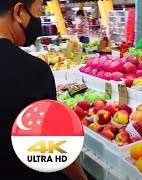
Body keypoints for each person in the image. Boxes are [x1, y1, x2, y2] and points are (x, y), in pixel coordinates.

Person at [0, 0, 88, 179]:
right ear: (18, 12)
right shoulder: (33, 71)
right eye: (38, 11)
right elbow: (55, 147)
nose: (38, 19)